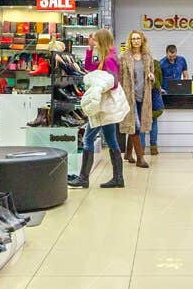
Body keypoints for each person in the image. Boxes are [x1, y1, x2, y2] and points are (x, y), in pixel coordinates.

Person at [69, 29, 125, 189]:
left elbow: (112, 82)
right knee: (111, 139)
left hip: (101, 106)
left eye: (95, 40)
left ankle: (83, 178)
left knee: (87, 139)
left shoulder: (110, 59)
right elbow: (89, 68)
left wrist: (98, 87)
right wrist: (89, 50)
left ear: (102, 41)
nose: (93, 42)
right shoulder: (107, 56)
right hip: (105, 106)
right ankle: (118, 178)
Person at [119, 30, 153, 168]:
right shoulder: (124, 57)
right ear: (130, 41)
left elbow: (151, 72)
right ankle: (140, 158)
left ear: (142, 40)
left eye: (138, 38)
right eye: (133, 38)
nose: (136, 41)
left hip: (143, 96)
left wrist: (152, 76)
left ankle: (128, 153)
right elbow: (120, 76)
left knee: (134, 124)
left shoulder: (147, 56)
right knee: (136, 127)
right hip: (129, 96)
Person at [148, 54, 164, 155]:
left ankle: (140, 149)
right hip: (154, 94)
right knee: (153, 121)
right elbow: (160, 79)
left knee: (141, 123)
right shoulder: (156, 63)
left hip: (142, 95)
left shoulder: (138, 63)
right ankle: (153, 148)